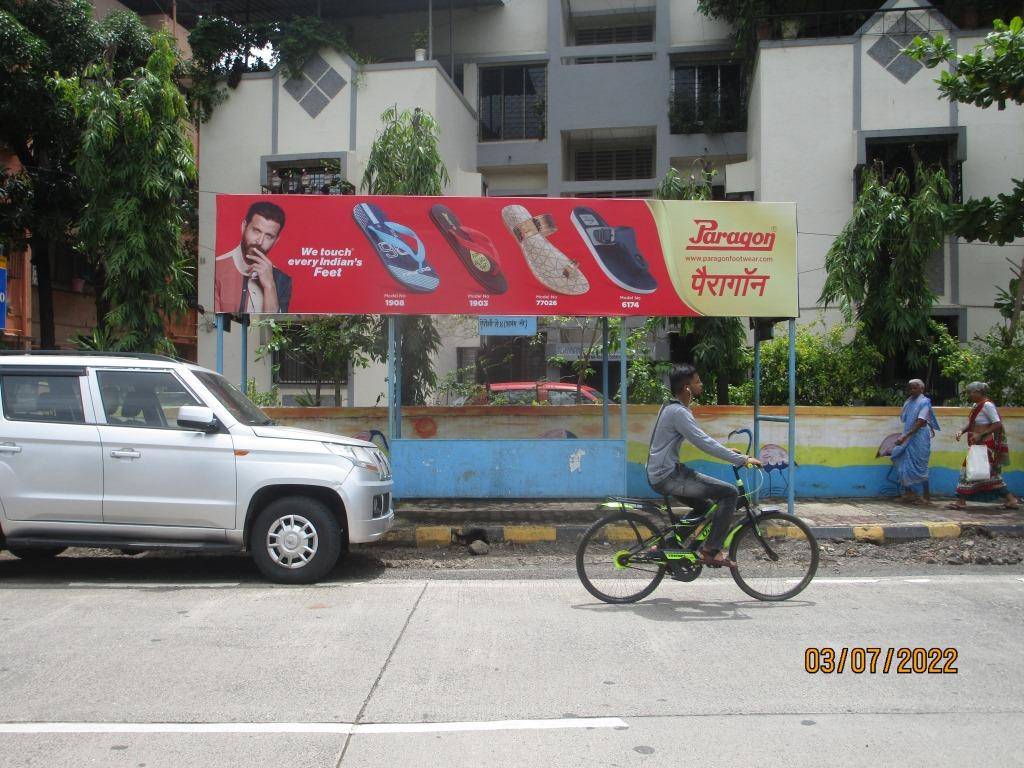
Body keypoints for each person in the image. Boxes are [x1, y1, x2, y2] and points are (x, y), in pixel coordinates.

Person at [646, 364, 762, 568]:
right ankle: (711, 550)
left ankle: (670, 543)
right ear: (687, 388)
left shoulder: (672, 408)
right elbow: (703, 442)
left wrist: (728, 451)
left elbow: (701, 437)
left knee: (705, 506)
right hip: (668, 475)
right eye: (697, 381)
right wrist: (741, 459)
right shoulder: (678, 412)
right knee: (729, 493)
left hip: (664, 473)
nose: (701, 384)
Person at [948, 382, 1020, 510]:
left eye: (971, 392)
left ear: (979, 392)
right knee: (988, 474)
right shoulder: (976, 405)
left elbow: (997, 424)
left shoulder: (987, 405)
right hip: (977, 444)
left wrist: (981, 435)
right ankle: (1011, 499)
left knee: (968, 469)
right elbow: (972, 423)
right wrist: (962, 431)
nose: (970, 395)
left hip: (983, 444)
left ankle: (961, 501)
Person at [214, 201, 292, 313]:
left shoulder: (282, 280)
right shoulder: (217, 268)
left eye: (269, 236)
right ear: (244, 227)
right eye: (256, 231)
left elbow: (274, 327)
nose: (260, 242)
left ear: (276, 241)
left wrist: (270, 286)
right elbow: (214, 323)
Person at [891, 378, 940, 504]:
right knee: (900, 460)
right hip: (907, 437)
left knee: (920, 466)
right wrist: (905, 436)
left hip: (919, 438)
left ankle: (926, 496)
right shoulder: (909, 402)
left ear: (921, 389)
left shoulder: (924, 402)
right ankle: (909, 493)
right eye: (910, 388)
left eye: (915, 388)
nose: (912, 390)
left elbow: (920, 422)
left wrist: (905, 436)